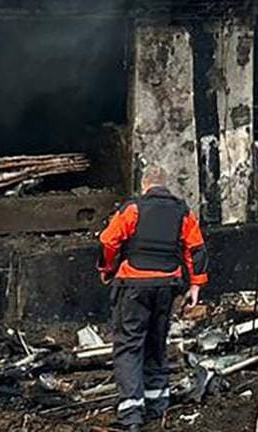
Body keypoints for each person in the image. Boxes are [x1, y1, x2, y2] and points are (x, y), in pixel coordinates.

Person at [97, 166, 208, 427]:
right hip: (167, 285)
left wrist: (107, 269)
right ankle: (158, 406)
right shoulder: (183, 212)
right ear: (166, 186)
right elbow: (197, 249)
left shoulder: (133, 209)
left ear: (144, 186)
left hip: (134, 286)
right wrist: (195, 286)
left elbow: (108, 241)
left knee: (129, 344)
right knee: (156, 342)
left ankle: (131, 414)